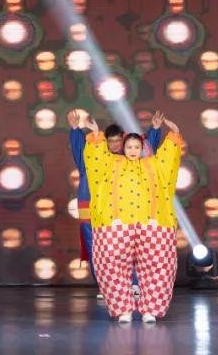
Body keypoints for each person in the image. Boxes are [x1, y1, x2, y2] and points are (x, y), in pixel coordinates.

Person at [82, 112, 184, 324]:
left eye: (137, 147)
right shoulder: (112, 163)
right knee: (110, 264)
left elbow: (169, 157)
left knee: (158, 265)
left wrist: (174, 132)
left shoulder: (154, 164)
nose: (133, 150)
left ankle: (150, 310)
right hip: (116, 224)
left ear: (142, 148)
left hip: (152, 224)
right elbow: (96, 160)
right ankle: (123, 309)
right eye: (129, 147)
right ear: (123, 147)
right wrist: (95, 133)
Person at [68, 110, 164, 302]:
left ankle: (133, 286)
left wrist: (154, 130)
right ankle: (107, 288)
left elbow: (146, 152)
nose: (113, 145)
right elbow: (79, 149)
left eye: (117, 141)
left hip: (120, 213)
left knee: (129, 250)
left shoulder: (127, 161)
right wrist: (75, 130)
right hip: (93, 212)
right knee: (97, 252)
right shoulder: (92, 158)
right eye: (109, 141)